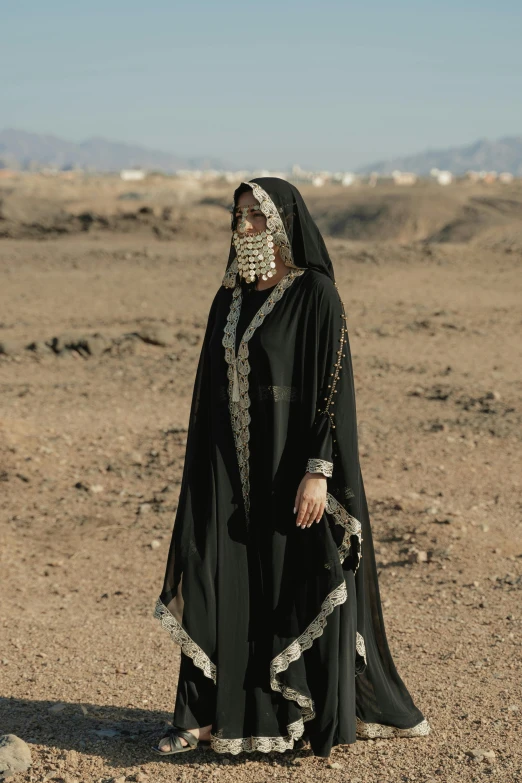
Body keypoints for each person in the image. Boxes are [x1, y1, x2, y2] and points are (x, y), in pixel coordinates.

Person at [152, 177, 430, 758]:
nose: (247, 225)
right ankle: (206, 716)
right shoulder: (226, 299)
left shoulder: (316, 296)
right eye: (240, 215)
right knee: (217, 576)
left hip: (290, 468)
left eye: (258, 215)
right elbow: (208, 393)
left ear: (284, 223)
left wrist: (318, 470)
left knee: (290, 583)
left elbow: (332, 392)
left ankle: (300, 714)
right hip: (228, 471)